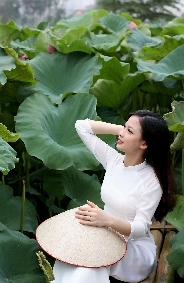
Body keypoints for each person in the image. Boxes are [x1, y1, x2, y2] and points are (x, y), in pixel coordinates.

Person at [52, 110, 176, 283]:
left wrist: (107, 220)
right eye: (124, 127)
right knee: (73, 252)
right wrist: (123, 129)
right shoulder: (113, 160)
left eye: (130, 132)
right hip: (104, 236)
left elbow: (140, 227)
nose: (122, 133)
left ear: (144, 144)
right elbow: (81, 126)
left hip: (133, 250)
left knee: (91, 259)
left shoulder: (152, 180)